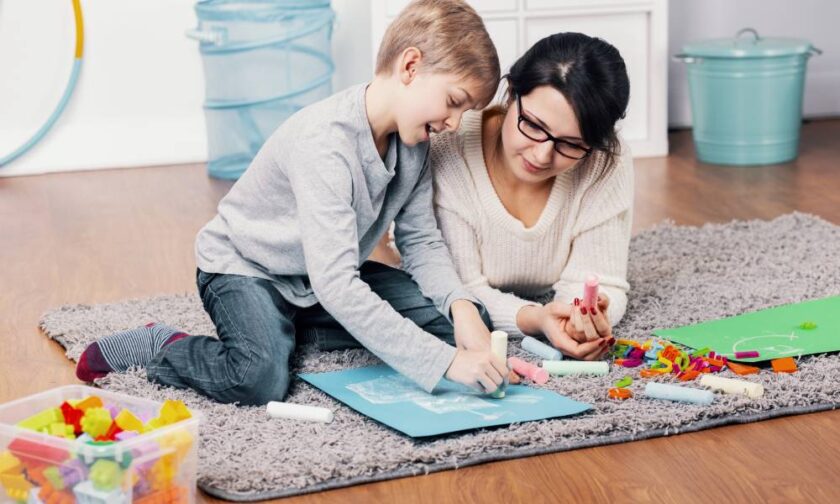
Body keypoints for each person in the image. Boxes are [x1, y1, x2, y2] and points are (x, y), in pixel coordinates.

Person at [75, 0, 508, 405]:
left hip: (316, 279)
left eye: (465, 112)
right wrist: (445, 363)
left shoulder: (416, 147)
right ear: (410, 66)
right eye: (454, 102)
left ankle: (291, 329)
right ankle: (163, 345)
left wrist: (461, 306)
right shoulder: (325, 144)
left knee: (458, 324)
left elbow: (422, 242)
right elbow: (338, 284)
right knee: (258, 377)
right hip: (247, 270)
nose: (453, 124)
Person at [429, 32, 633, 360]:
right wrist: (537, 318)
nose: (541, 156)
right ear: (511, 93)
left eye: (571, 144)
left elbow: (602, 279)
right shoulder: (451, 144)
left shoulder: (604, 161)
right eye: (533, 126)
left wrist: (579, 319)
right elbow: (459, 291)